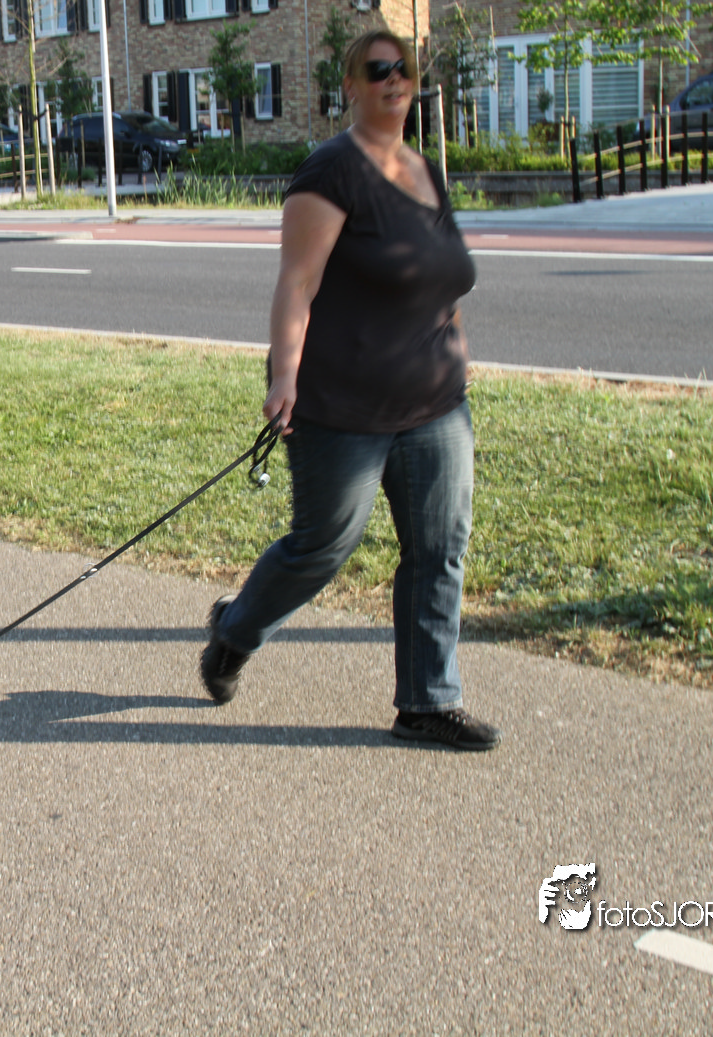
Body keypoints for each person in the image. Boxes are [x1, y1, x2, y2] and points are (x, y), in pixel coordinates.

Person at [199, 29, 500, 751]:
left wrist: (458, 351)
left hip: (435, 402)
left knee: (439, 547)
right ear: (352, 86)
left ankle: (427, 701)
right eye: (377, 69)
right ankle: (234, 631)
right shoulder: (330, 171)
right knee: (321, 547)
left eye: (404, 68)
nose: (394, 79)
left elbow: (445, 278)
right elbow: (296, 284)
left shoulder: (423, 171)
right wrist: (283, 376)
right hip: (343, 404)